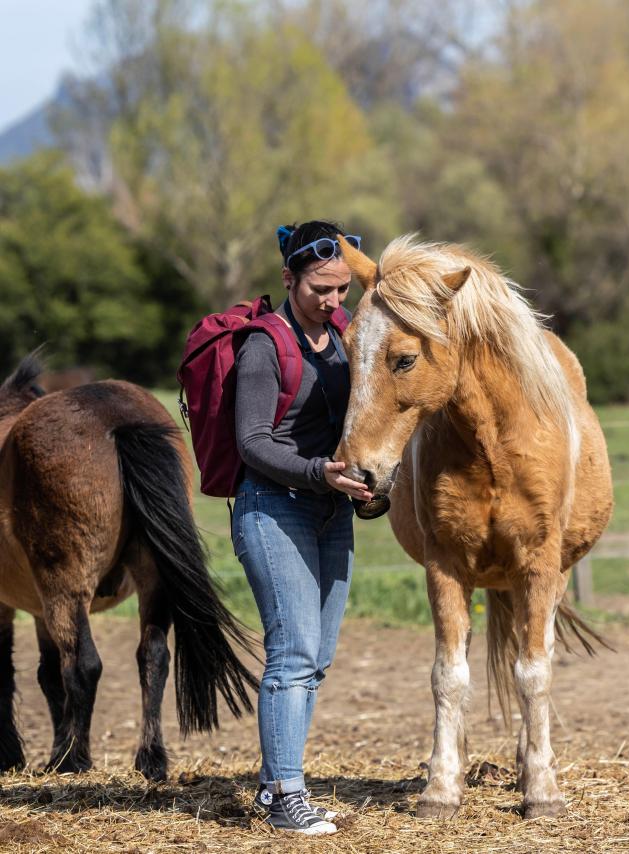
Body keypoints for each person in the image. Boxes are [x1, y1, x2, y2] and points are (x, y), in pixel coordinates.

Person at [232, 220, 373, 835]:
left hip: (330, 510)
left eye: (342, 289)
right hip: (273, 505)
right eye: (321, 288)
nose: (333, 301)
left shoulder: (345, 335)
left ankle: (282, 783)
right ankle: (284, 794)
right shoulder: (264, 345)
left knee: (317, 659)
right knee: (291, 654)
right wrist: (320, 472)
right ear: (289, 278)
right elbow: (252, 442)